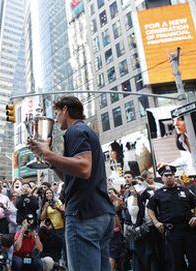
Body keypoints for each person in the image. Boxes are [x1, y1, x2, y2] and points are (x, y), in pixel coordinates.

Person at [28, 96, 115, 271]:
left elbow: (84, 168)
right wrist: (50, 159)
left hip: (84, 215)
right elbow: (72, 177)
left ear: (66, 110)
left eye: (57, 112)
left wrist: (48, 154)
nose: (57, 117)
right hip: (101, 214)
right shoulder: (84, 131)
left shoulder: (75, 131)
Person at [147, 165, 196, 271]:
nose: (169, 177)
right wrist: (156, 222)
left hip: (189, 230)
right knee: (175, 263)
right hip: (172, 232)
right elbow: (150, 209)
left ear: (174, 176)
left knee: (195, 261)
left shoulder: (185, 190)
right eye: (166, 175)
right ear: (162, 177)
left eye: (171, 175)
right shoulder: (157, 194)